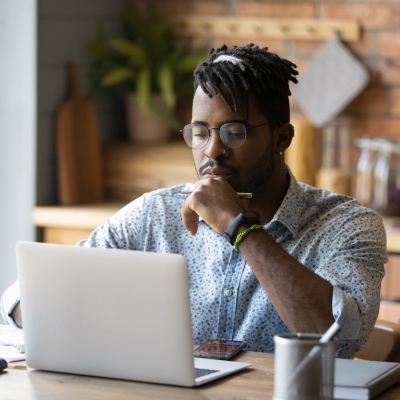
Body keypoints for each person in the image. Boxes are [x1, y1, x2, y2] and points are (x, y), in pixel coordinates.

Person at [1, 43, 386, 358]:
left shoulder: (347, 225)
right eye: (200, 133)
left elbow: (341, 337)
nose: (212, 152)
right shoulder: (155, 214)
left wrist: (241, 228)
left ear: (282, 138)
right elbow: (21, 300)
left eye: (234, 132)